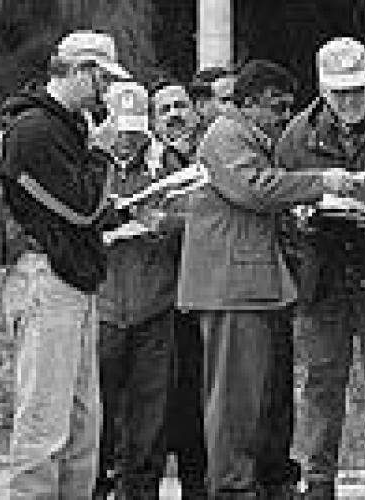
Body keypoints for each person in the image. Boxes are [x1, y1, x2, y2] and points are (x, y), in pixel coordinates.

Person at [178, 58, 355, 499]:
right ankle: (231, 487)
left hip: (250, 287)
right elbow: (255, 189)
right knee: (234, 401)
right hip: (231, 288)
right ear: (248, 103)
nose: (283, 117)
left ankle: (245, 483)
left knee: (254, 399)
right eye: (277, 107)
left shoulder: (247, 137)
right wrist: (321, 182)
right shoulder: (227, 135)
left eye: (288, 107)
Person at [275, 38, 365, 499]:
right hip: (322, 275)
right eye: (340, 93)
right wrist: (300, 217)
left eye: (358, 90)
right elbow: (277, 201)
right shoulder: (296, 137)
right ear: (323, 90)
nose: (350, 101)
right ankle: (318, 481)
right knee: (321, 382)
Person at [0, 30, 130, 498]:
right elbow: (80, 207)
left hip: (70, 281)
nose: (106, 91)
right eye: (102, 79)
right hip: (46, 282)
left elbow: (78, 210)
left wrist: (125, 210)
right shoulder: (34, 131)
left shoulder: (65, 127)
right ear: (78, 71)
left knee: (80, 425)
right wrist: (102, 151)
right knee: (45, 421)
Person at [93, 81, 201, 499]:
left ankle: (141, 491)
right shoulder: (87, 161)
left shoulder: (168, 164)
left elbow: (195, 218)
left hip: (156, 305)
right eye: (121, 132)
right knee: (97, 414)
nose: (127, 141)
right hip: (102, 305)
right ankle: (96, 485)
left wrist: (162, 223)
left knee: (149, 415)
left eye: (135, 132)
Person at [150, 80, 208, 499]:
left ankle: (198, 486)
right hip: (160, 300)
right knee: (155, 405)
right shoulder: (150, 163)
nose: (174, 115)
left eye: (180, 106)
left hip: (205, 296)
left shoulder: (212, 155)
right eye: (164, 109)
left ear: (196, 111)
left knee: (200, 399)